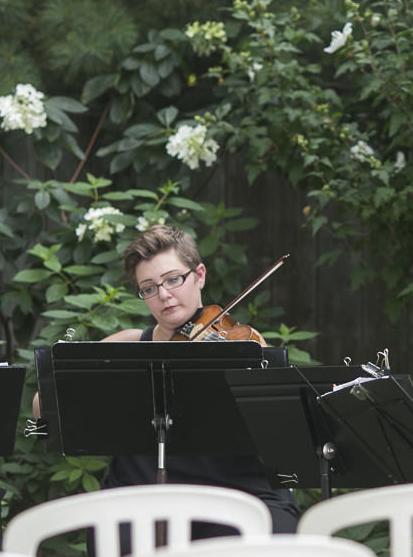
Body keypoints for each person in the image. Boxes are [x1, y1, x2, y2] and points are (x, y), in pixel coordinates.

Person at [94, 224, 300, 533]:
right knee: (111, 540)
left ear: (199, 275)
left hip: (239, 492)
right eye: (149, 288)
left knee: (279, 552)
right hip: (147, 496)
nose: (164, 295)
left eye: (173, 279)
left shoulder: (242, 345)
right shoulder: (127, 345)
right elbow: (45, 402)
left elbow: (283, 427)